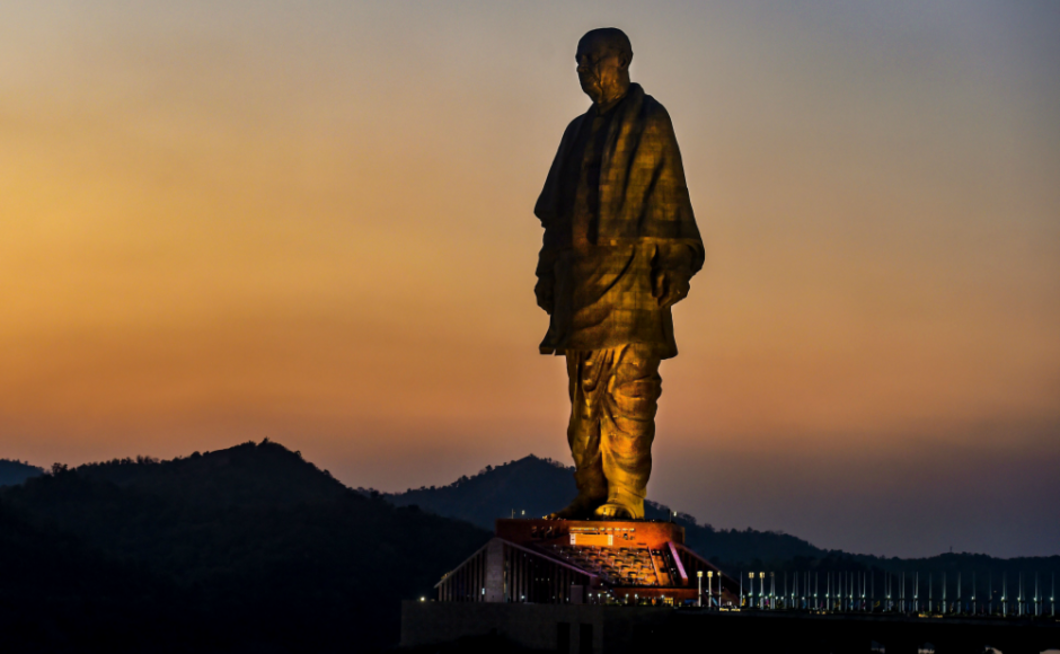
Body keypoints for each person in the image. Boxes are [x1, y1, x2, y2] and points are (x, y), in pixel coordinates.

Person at [534, 27, 704, 520]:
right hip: (581, 280)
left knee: (628, 394)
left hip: (632, 277)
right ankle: (590, 490)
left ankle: (625, 496)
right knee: (583, 402)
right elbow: (556, 216)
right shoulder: (576, 131)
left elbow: (672, 202)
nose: (585, 70)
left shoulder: (650, 120)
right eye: (579, 61)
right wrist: (548, 271)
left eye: (594, 60)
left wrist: (672, 262)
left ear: (622, 60)